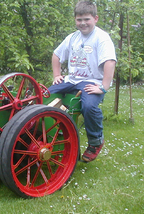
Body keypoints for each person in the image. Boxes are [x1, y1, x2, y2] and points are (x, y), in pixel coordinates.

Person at [48, 1, 117, 162]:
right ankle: (48, 135)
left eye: (87, 19)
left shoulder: (102, 38)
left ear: (95, 18)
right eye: (79, 20)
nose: (83, 23)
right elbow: (56, 55)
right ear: (75, 20)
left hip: (92, 81)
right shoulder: (72, 38)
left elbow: (110, 62)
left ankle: (95, 141)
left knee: (89, 106)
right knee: (45, 95)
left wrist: (103, 87)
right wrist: (57, 74)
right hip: (72, 80)